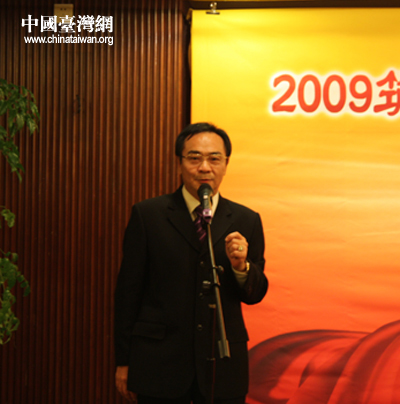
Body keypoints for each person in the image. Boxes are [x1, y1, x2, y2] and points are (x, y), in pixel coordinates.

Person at [114, 122, 268, 404]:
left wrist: (241, 268)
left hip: (222, 365)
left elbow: (254, 294)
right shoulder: (148, 215)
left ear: (226, 164)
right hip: (160, 364)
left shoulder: (246, 220)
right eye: (194, 158)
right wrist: (124, 360)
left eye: (214, 159)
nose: (204, 167)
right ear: (180, 163)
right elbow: (128, 293)